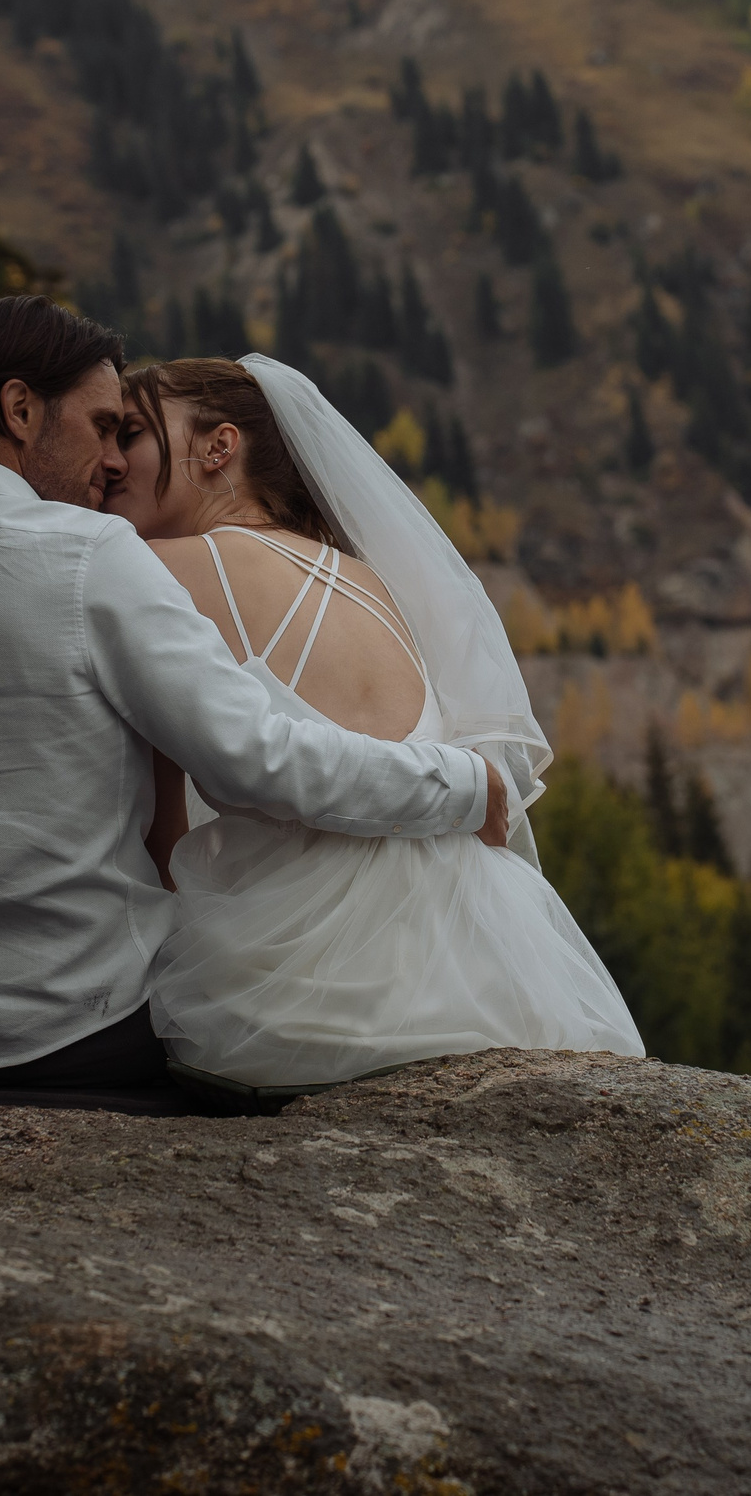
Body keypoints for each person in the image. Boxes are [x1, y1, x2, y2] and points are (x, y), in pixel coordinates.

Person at [0, 299, 510, 1114]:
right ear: (21, 411)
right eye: (101, 426)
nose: (110, 460)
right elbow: (257, 758)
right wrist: (460, 786)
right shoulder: (91, 556)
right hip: (90, 1035)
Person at [107, 355, 643, 1101]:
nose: (108, 459)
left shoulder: (152, 567)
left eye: (130, 432)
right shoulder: (371, 578)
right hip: (488, 958)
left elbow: (158, 839)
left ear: (217, 447)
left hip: (309, 986)